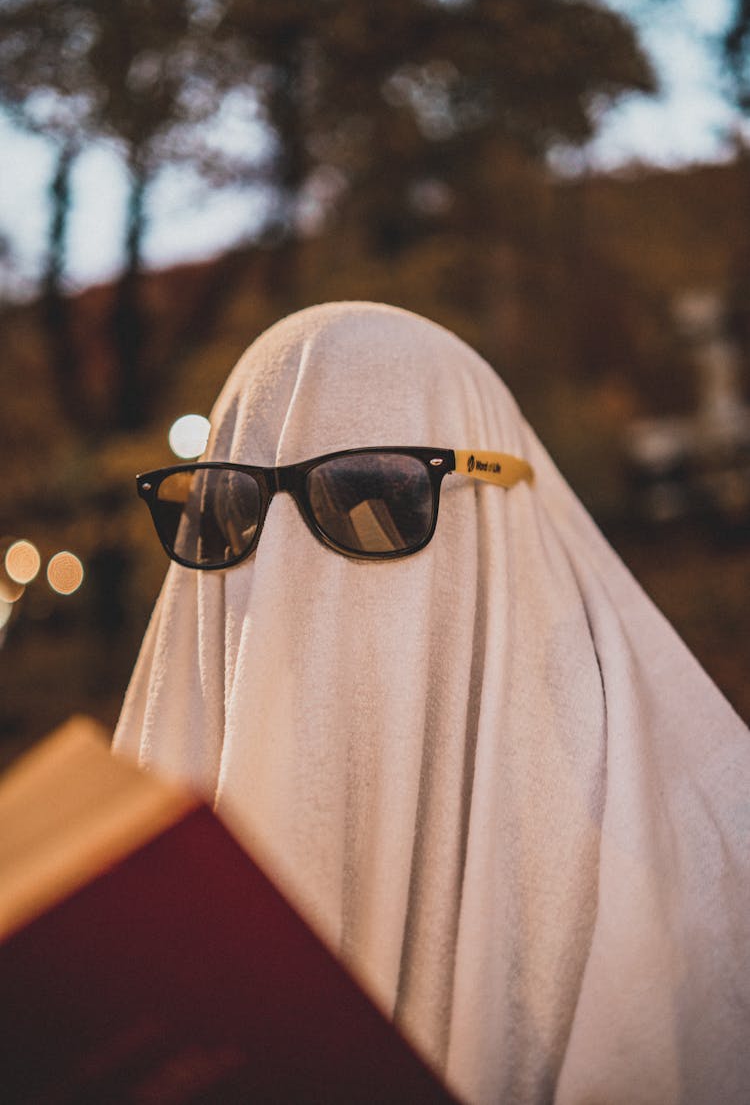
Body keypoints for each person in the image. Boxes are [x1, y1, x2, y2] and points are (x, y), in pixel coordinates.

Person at [113, 301, 750, 1105]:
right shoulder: (111, 880)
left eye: (373, 493)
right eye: (231, 508)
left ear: (506, 499)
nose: (287, 576)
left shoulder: (712, 871)